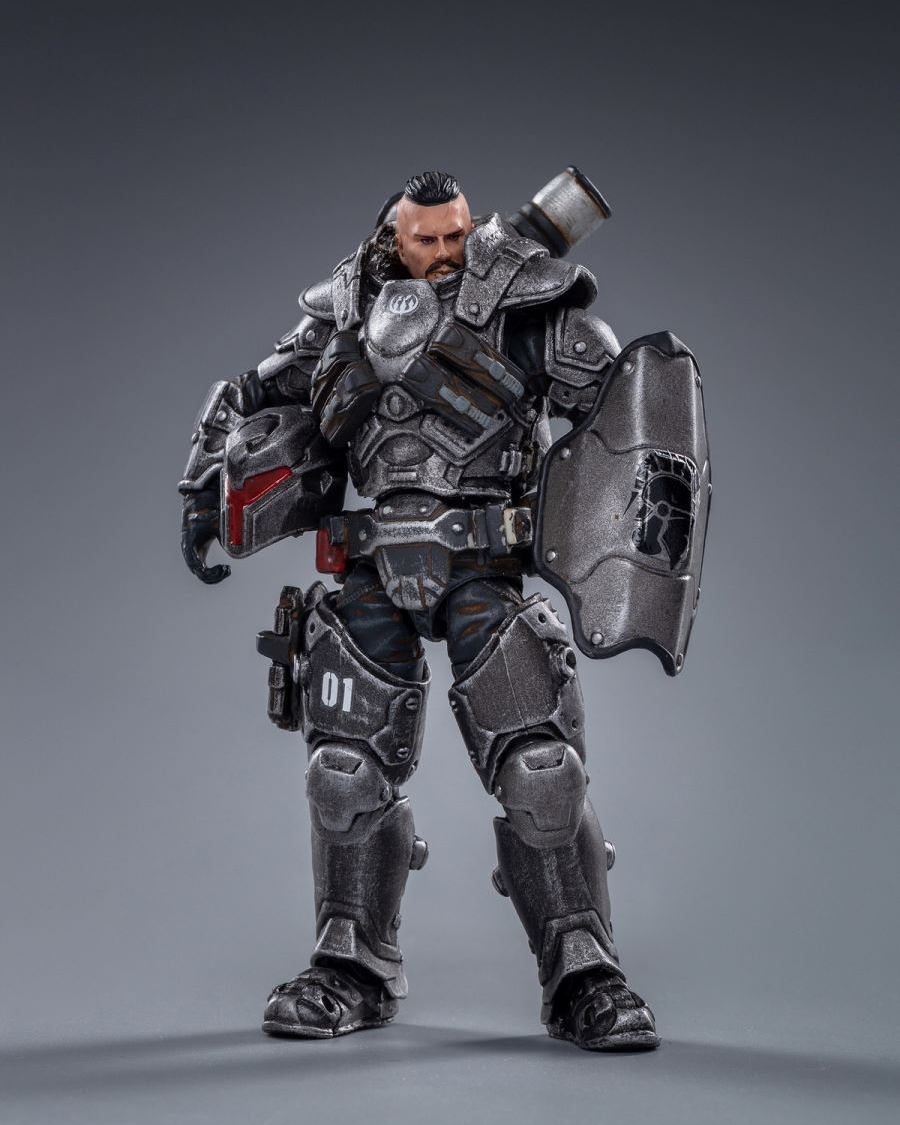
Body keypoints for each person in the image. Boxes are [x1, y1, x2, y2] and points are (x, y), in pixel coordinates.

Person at [180, 168, 670, 1051]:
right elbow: (251, 394)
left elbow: (621, 405)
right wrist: (203, 490)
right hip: (371, 564)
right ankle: (351, 965)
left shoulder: (524, 311)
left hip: (485, 563)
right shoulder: (343, 316)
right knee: (343, 771)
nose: (445, 252)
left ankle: (584, 971)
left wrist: (635, 510)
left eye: (456, 235)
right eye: (426, 238)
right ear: (392, 239)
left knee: (542, 771)